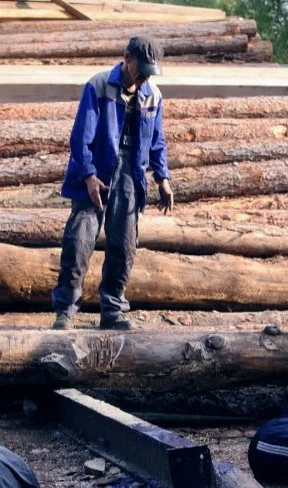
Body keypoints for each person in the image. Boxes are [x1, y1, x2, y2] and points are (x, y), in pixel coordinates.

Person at [51, 36, 174, 331]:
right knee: (79, 243)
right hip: (96, 171)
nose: (145, 78)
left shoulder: (153, 96)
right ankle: (65, 311)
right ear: (126, 58)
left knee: (124, 245)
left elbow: (157, 141)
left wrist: (163, 178)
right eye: (141, 70)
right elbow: (81, 137)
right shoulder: (98, 86)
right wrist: (88, 175)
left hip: (131, 174)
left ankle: (113, 311)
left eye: (150, 73)